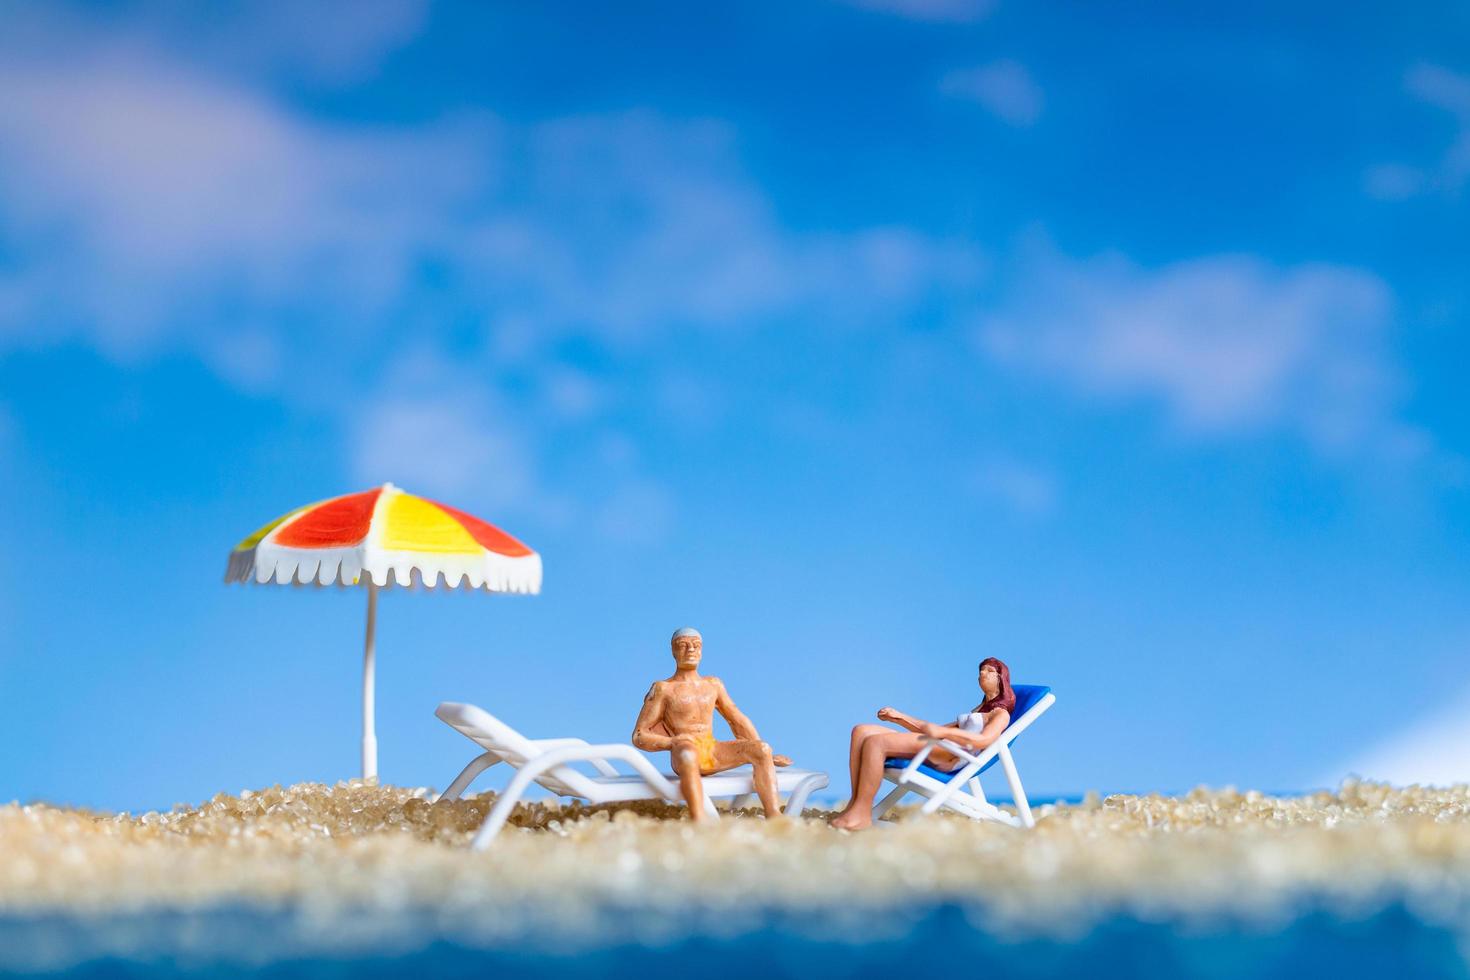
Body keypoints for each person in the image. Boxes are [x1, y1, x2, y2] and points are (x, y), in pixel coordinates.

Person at [829, 657, 1017, 831]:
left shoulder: (1000, 714)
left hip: (951, 754)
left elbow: (985, 739)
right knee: (861, 731)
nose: (982, 674)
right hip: (940, 744)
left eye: (989, 671)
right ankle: (855, 804)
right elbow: (932, 729)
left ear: (1001, 679)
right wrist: (899, 718)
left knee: (876, 742)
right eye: (981, 670)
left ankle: (862, 813)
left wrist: (944, 733)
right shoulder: (978, 710)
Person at [631, 628, 792, 821]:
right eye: (683, 645)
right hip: (684, 751)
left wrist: (765, 754)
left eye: (696, 645)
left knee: (762, 749)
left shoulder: (713, 685)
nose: (690, 649)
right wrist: (672, 742)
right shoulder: (663, 688)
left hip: (712, 750)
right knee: (688, 753)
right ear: (673, 651)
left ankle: (774, 816)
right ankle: (699, 819)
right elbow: (639, 735)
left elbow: (736, 719)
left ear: (701, 651)